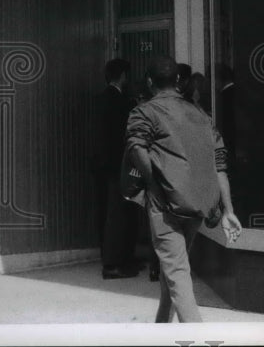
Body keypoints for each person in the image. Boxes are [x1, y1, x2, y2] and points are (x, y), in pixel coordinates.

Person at [125, 55, 242, 323]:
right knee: (174, 267)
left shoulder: (144, 112)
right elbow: (219, 164)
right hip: (197, 206)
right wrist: (228, 210)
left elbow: (136, 148)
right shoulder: (200, 115)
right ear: (178, 81)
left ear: (150, 82)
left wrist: (154, 182)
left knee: (177, 272)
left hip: (165, 206)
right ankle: (161, 329)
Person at [95, 58, 140, 279]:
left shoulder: (106, 98)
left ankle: (119, 258)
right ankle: (113, 263)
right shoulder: (116, 100)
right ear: (122, 75)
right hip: (117, 164)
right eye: (126, 75)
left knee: (117, 212)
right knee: (117, 213)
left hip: (109, 165)